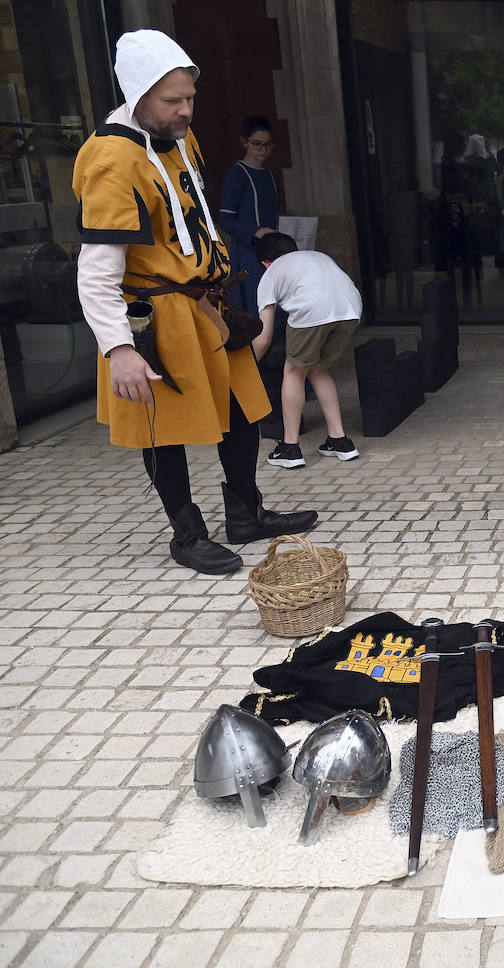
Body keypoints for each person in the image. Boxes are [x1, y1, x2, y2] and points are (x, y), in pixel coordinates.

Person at [73, 29, 316, 576]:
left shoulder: (180, 136)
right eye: (172, 101)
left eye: (190, 98)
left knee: (241, 413)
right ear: (138, 95)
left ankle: (246, 514)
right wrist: (119, 349)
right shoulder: (111, 162)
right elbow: (95, 272)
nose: (186, 111)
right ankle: (187, 536)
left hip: (206, 306)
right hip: (154, 314)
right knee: (164, 427)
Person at [249, 232, 361, 468]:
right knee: (316, 368)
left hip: (312, 312)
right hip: (351, 309)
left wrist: (248, 367)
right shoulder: (316, 256)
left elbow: (264, 337)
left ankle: (290, 448)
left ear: (265, 263)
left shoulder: (271, 273)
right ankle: (339, 441)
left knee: (293, 372)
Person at [219, 115, 281, 312]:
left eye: (268, 145)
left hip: (274, 249)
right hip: (249, 251)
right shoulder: (237, 175)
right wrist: (256, 232)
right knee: (257, 308)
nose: (263, 150)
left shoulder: (272, 175)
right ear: (244, 142)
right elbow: (226, 220)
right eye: (257, 144)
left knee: (278, 303)